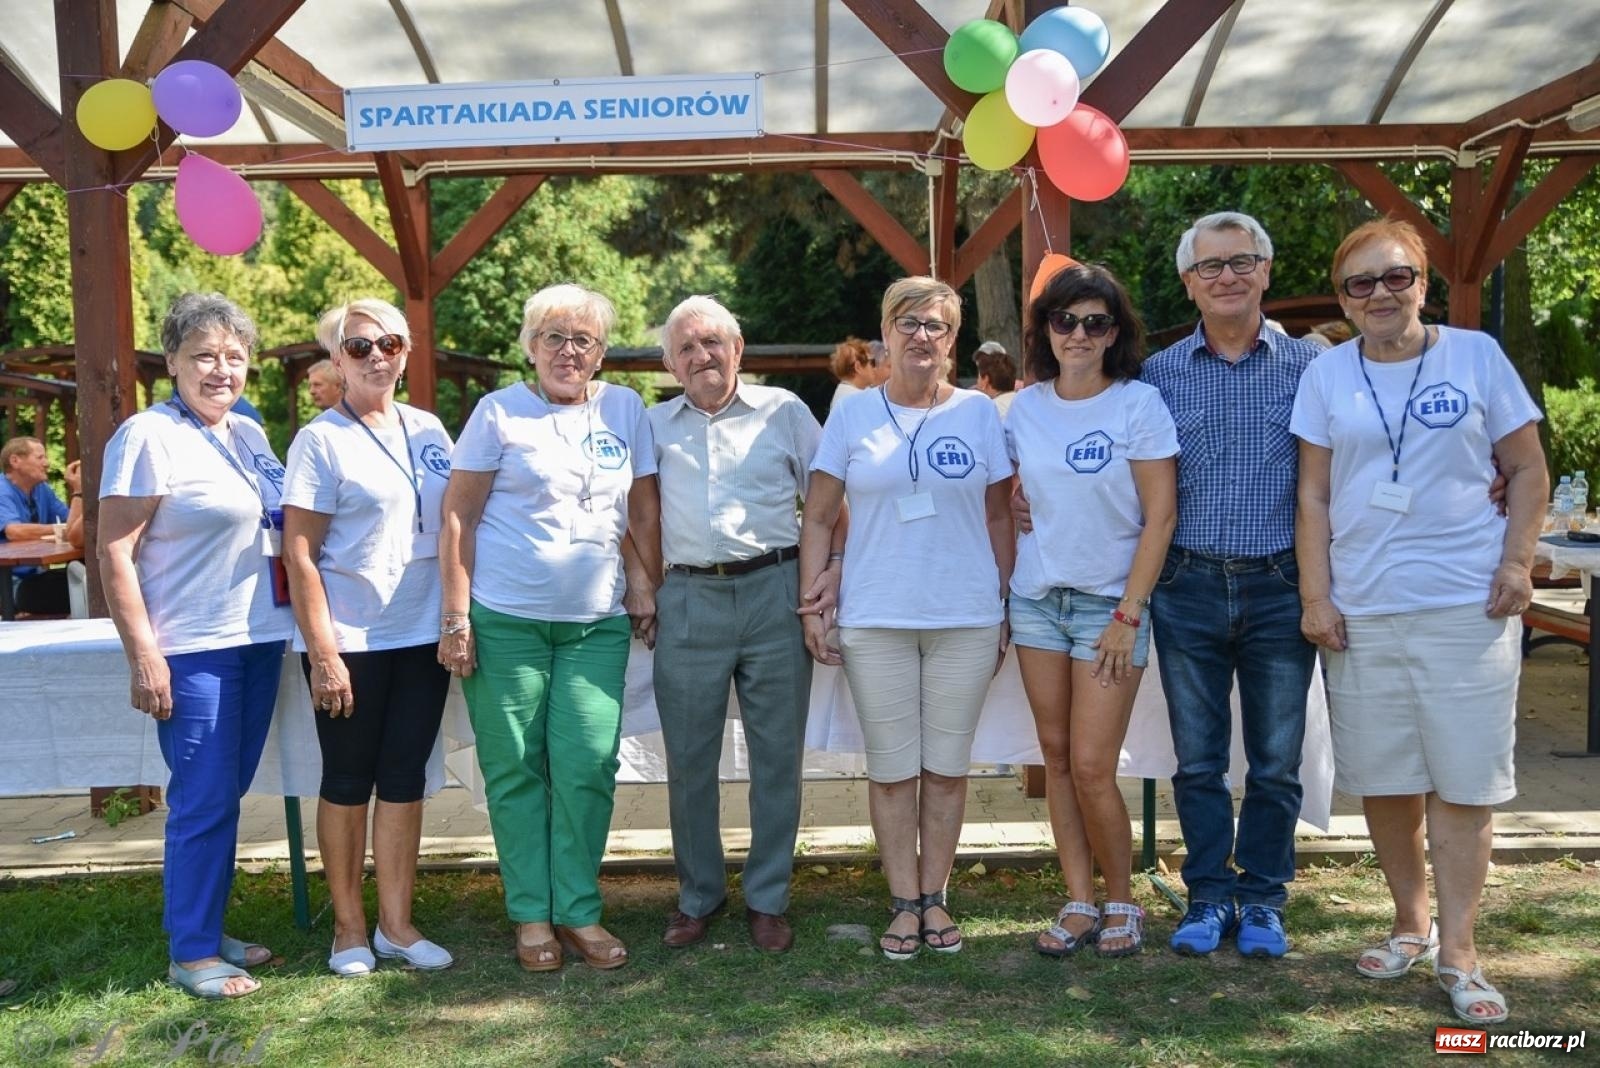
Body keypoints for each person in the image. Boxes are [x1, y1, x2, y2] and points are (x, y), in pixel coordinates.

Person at [1293, 218, 1546, 1025]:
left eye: (1394, 277)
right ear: (1343, 297)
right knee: (1388, 778)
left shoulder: (1475, 356)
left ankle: (1461, 951)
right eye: (1360, 284)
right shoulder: (1328, 374)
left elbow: (1528, 467)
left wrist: (1516, 562)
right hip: (1363, 608)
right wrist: (1316, 595)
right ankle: (1410, 924)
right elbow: (1314, 495)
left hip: (1467, 607)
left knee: (1465, 781)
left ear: (1423, 282)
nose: (1379, 295)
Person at [438, 283, 661, 973]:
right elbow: (458, 518)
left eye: (584, 340)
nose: (570, 351)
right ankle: (532, 914)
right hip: (506, 621)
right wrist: (455, 614)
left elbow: (635, 512)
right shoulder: (497, 412)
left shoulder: (626, 407)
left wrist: (645, 581)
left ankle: (580, 910)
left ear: (601, 352)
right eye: (555, 338)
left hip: (596, 625)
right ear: (530, 347)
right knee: (514, 771)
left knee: (589, 766)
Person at [799, 276, 1014, 960]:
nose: (923, 336)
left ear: (954, 339)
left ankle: (935, 897)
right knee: (893, 770)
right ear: (885, 334)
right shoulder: (853, 414)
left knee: (948, 769)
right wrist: (813, 599)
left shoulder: (980, 414)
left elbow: (1000, 512)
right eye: (909, 323)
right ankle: (901, 903)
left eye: (938, 326)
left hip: (966, 617)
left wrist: (1004, 602)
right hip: (875, 616)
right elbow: (821, 513)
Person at [98, 293, 293, 999]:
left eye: (234, 357)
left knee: (225, 793)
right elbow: (114, 551)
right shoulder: (147, 435)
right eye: (204, 355)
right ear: (173, 360)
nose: (221, 369)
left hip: (257, 637)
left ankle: (206, 926)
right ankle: (192, 952)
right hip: (193, 645)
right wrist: (144, 655)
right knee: (203, 798)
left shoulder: (250, 434)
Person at [1139, 212, 1323, 957]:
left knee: (1278, 762)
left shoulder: (1312, 367)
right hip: (1186, 583)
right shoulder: (1157, 375)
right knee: (1200, 759)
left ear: (1267, 271)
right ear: (1189, 282)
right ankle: (1209, 897)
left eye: (1242, 261)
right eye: (1210, 266)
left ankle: (1264, 900)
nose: (1227, 276)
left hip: (1281, 581)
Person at [648, 295, 841, 954]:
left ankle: (768, 897)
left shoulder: (785, 411)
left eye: (713, 343)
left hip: (774, 590)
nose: (702, 357)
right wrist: (646, 591)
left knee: (777, 757)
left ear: (738, 348)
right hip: (690, 596)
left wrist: (829, 575)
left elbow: (828, 499)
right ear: (671, 363)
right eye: (687, 348)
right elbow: (634, 517)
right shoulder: (652, 425)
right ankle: (698, 895)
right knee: (690, 760)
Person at [281, 299, 456, 977]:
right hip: (350, 636)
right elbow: (299, 553)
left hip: (422, 632)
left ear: (406, 351)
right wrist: (324, 654)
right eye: (358, 347)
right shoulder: (320, 440)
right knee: (349, 780)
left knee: (405, 779)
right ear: (336, 361)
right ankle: (349, 930)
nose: (376, 356)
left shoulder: (431, 427)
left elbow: (452, 523)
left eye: (388, 343)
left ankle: (398, 925)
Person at [1008, 266, 1177, 959]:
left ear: (1115, 333)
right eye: (1065, 321)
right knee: (1053, 759)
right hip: (1036, 600)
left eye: (1095, 322)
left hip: (1111, 606)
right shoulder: (1024, 408)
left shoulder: (1138, 406)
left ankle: (1123, 902)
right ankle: (1078, 900)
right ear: (1046, 330)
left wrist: (1129, 612)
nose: (1078, 334)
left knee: (1091, 766)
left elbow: (1160, 517)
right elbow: (1011, 496)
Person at [0, 436, 84, 614]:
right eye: (40, 458)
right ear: (15, 461)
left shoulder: (42, 489)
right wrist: (61, 529)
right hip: (9, 585)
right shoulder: (2, 490)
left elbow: (73, 523)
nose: (47, 463)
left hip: (34, 577)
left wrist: (79, 491)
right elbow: (14, 531)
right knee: (80, 589)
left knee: (89, 577)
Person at [828, 337, 887, 411]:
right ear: (858, 367)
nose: (874, 368)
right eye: (871, 362)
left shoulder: (843, 394)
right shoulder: (856, 399)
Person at [974, 341, 1018, 418]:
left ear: (985, 380)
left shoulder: (989, 412)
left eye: (978, 376)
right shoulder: (1024, 404)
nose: (977, 382)